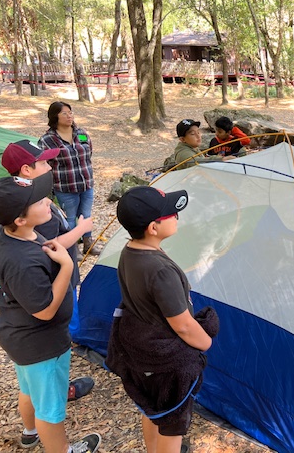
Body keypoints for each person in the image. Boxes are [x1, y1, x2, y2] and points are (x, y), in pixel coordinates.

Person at [0, 174, 101, 453]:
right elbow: (45, 311)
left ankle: (29, 433)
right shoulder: (23, 261)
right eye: (38, 200)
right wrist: (67, 268)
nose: (48, 200)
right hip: (42, 345)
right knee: (51, 408)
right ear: (21, 220)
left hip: (17, 335)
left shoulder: (6, 234)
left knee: (29, 389)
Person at [106, 186, 218, 453]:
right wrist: (205, 343)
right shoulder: (160, 271)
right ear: (153, 228)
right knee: (172, 423)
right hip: (165, 363)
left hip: (142, 352)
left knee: (154, 409)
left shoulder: (130, 251)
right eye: (171, 214)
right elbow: (182, 324)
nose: (176, 216)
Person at [1, 139, 96, 396]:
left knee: (35, 378)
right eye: (43, 162)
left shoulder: (28, 201)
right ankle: (60, 390)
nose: (50, 165)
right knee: (50, 361)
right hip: (51, 293)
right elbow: (48, 245)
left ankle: (48, 396)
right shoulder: (30, 207)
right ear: (26, 170)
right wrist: (80, 230)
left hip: (28, 329)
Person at [38, 101, 101, 255]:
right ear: (55, 117)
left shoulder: (81, 133)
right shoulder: (48, 140)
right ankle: (73, 248)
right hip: (66, 187)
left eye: (70, 112)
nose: (69, 116)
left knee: (85, 215)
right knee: (70, 218)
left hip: (86, 183)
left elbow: (88, 152)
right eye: (64, 113)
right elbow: (43, 163)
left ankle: (88, 244)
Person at [164, 119, 230, 171]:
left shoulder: (193, 147)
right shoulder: (183, 153)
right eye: (193, 134)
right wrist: (221, 159)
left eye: (198, 132)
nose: (198, 136)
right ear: (182, 139)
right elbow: (198, 162)